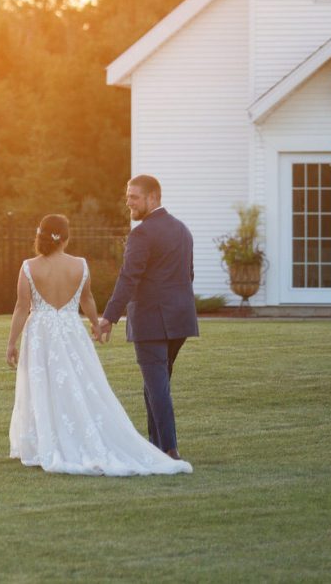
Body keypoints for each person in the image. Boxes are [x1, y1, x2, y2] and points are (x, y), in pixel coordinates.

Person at [7, 212, 191, 476]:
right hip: (71, 331)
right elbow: (87, 299)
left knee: (43, 384)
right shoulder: (80, 265)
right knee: (79, 384)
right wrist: (96, 323)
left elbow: (22, 307)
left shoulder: (28, 267)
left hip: (40, 335)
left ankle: (43, 442)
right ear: (66, 238)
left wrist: (11, 343)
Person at [97, 175, 199, 461]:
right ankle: (156, 445)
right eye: (127, 196)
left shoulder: (142, 234)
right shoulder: (182, 229)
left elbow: (129, 278)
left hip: (152, 322)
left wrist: (109, 316)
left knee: (157, 387)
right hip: (180, 320)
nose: (128, 202)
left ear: (153, 198)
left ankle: (169, 449)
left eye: (134, 197)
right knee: (156, 385)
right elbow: (189, 274)